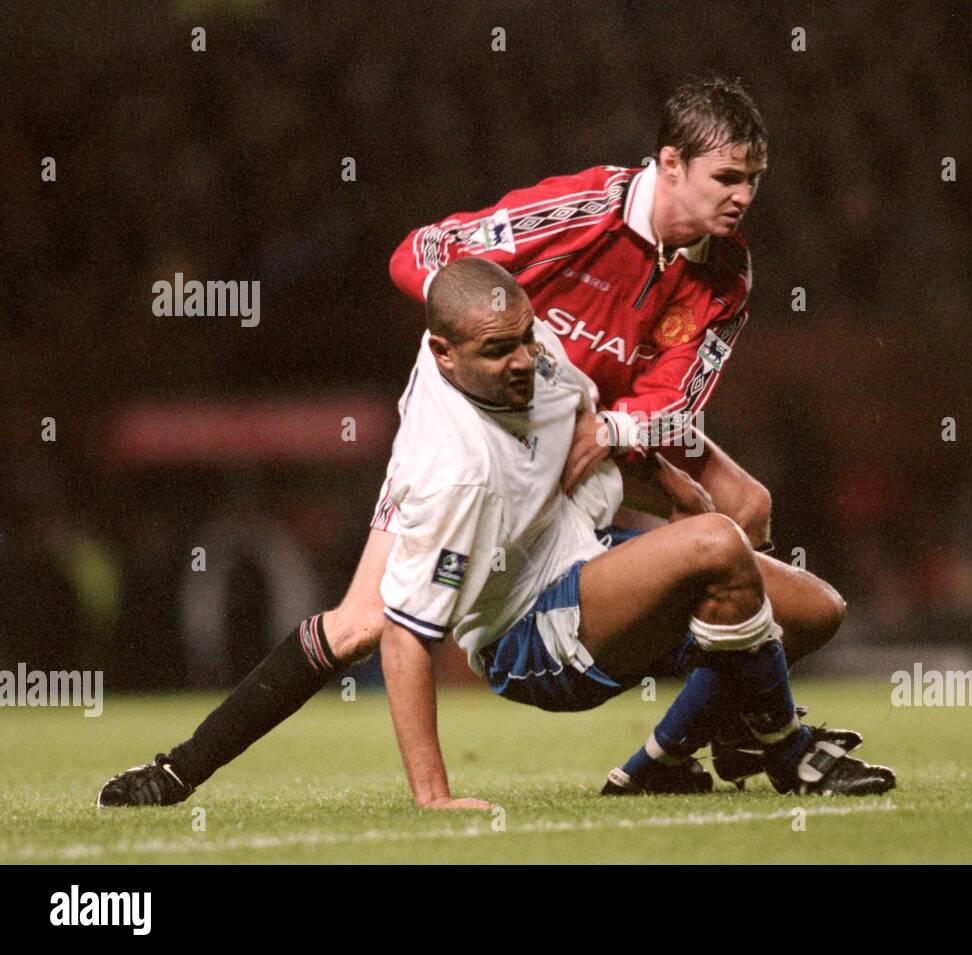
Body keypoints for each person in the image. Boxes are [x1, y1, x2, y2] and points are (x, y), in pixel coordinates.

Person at [96, 77, 849, 806]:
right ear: (671, 163)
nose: (745, 196)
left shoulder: (567, 349)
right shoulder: (474, 422)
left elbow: (672, 400)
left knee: (747, 517)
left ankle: (692, 743)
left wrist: (607, 424)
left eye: (753, 178)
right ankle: (179, 767)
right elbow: (418, 254)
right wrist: (489, 325)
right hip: (519, 495)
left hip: (595, 423)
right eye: (728, 176)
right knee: (364, 621)